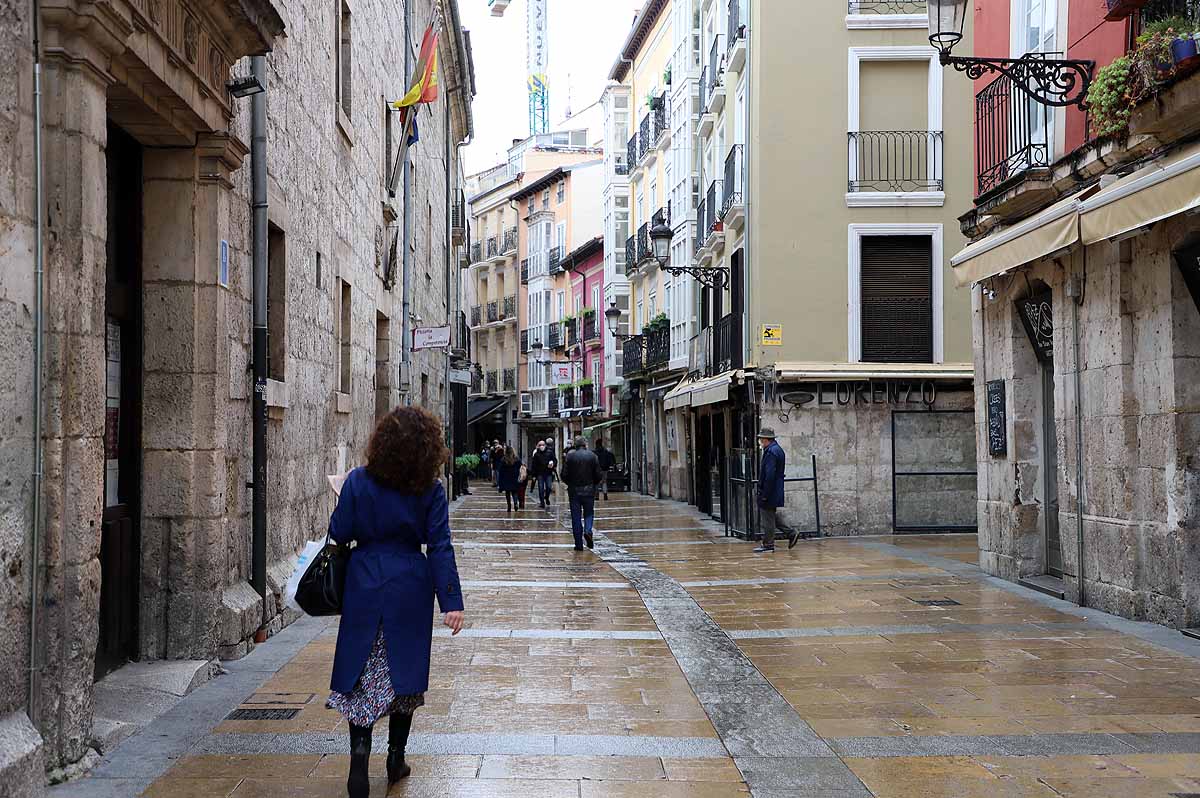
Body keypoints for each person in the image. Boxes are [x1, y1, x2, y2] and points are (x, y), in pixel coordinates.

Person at [326, 406, 466, 798]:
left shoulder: (357, 482)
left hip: (364, 580)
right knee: (403, 671)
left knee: (361, 674)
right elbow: (439, 545)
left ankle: (359, 758)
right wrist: (450, 602)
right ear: (428, 447)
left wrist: (346, 496)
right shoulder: (431, 489)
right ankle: (395, 758)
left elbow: (339, 531)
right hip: (409, 583)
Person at [755, 427, 797, 553]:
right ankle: (791, 533)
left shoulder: (771, 452)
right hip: (775, 489)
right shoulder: (775, 449)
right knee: (770, 515)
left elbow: (769, 475)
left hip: (770, 490)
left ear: (766, 439)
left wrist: (764, 494)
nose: (760, 441)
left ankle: (768, 544)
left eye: (761, 439)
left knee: (767, 518)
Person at [561, 436, 603, 551]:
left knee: (576, 517)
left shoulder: (570, 456)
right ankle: (588, 530)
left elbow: (564, 475)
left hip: (574, 491)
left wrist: (570, 483)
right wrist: (593, 484)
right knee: (589, 513)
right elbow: (599, 475)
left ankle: (578, 544)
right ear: (585, 444)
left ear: (575, 444)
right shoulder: (592, 456)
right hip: (589, 491)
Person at [496, 446, 523, 512]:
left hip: (506, 478)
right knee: (515, 492)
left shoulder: (504, 459)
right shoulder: (516, 459)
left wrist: (500, 482)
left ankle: (509, 506)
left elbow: (500, 470)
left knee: (507, 492)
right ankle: (515, 503)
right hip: (514, 477)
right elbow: (521, 466)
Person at [530, 440, 555, 508]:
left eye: (543, 445)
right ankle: (542, 502)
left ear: (545, 445)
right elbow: (534, 465)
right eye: (540, 445)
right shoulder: (536, 454)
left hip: (548, 473)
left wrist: (552, 464)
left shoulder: (550, 453)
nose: (541, 446)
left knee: (549, 487)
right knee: (540, 488)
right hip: (540, 473)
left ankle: (546, 497)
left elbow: (555, 460)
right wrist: (534, 475)